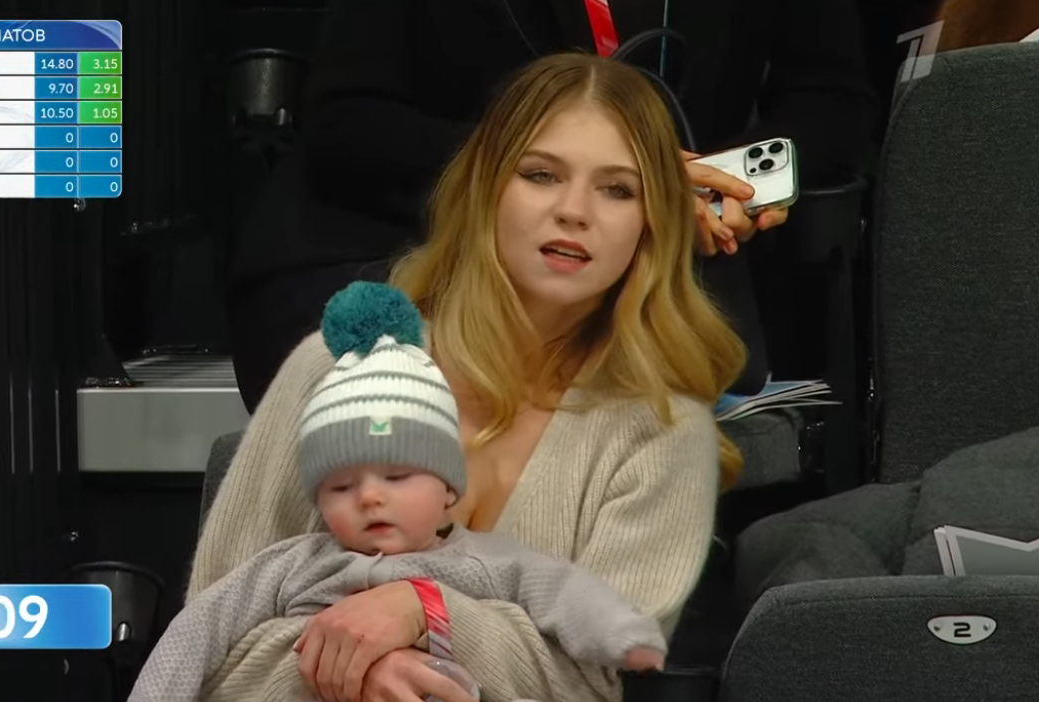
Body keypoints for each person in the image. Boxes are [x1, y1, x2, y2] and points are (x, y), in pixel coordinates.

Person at [190, 52, 745, 702]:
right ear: (486, 187)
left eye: (617, 189)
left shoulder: (665, 430)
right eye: (540, 174)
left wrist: (426, 613)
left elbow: (586, 683)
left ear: (653, 222)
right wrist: (364, 672)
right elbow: (209, 645)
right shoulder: (340, 364)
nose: (574, 211)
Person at [225, 0, 878, 410]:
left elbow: (833, 101)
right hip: (403, 249)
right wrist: (594, 173)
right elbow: (349, 126)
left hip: (646, 274)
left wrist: (727, 186)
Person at [131, 283, 668, 702]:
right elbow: (199, 629)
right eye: (342, 485)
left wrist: (624, 637)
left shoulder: (486, 563)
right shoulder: (290, 567)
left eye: (397, 477)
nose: (369, 497)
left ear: (448, 490)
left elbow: (565, 593)